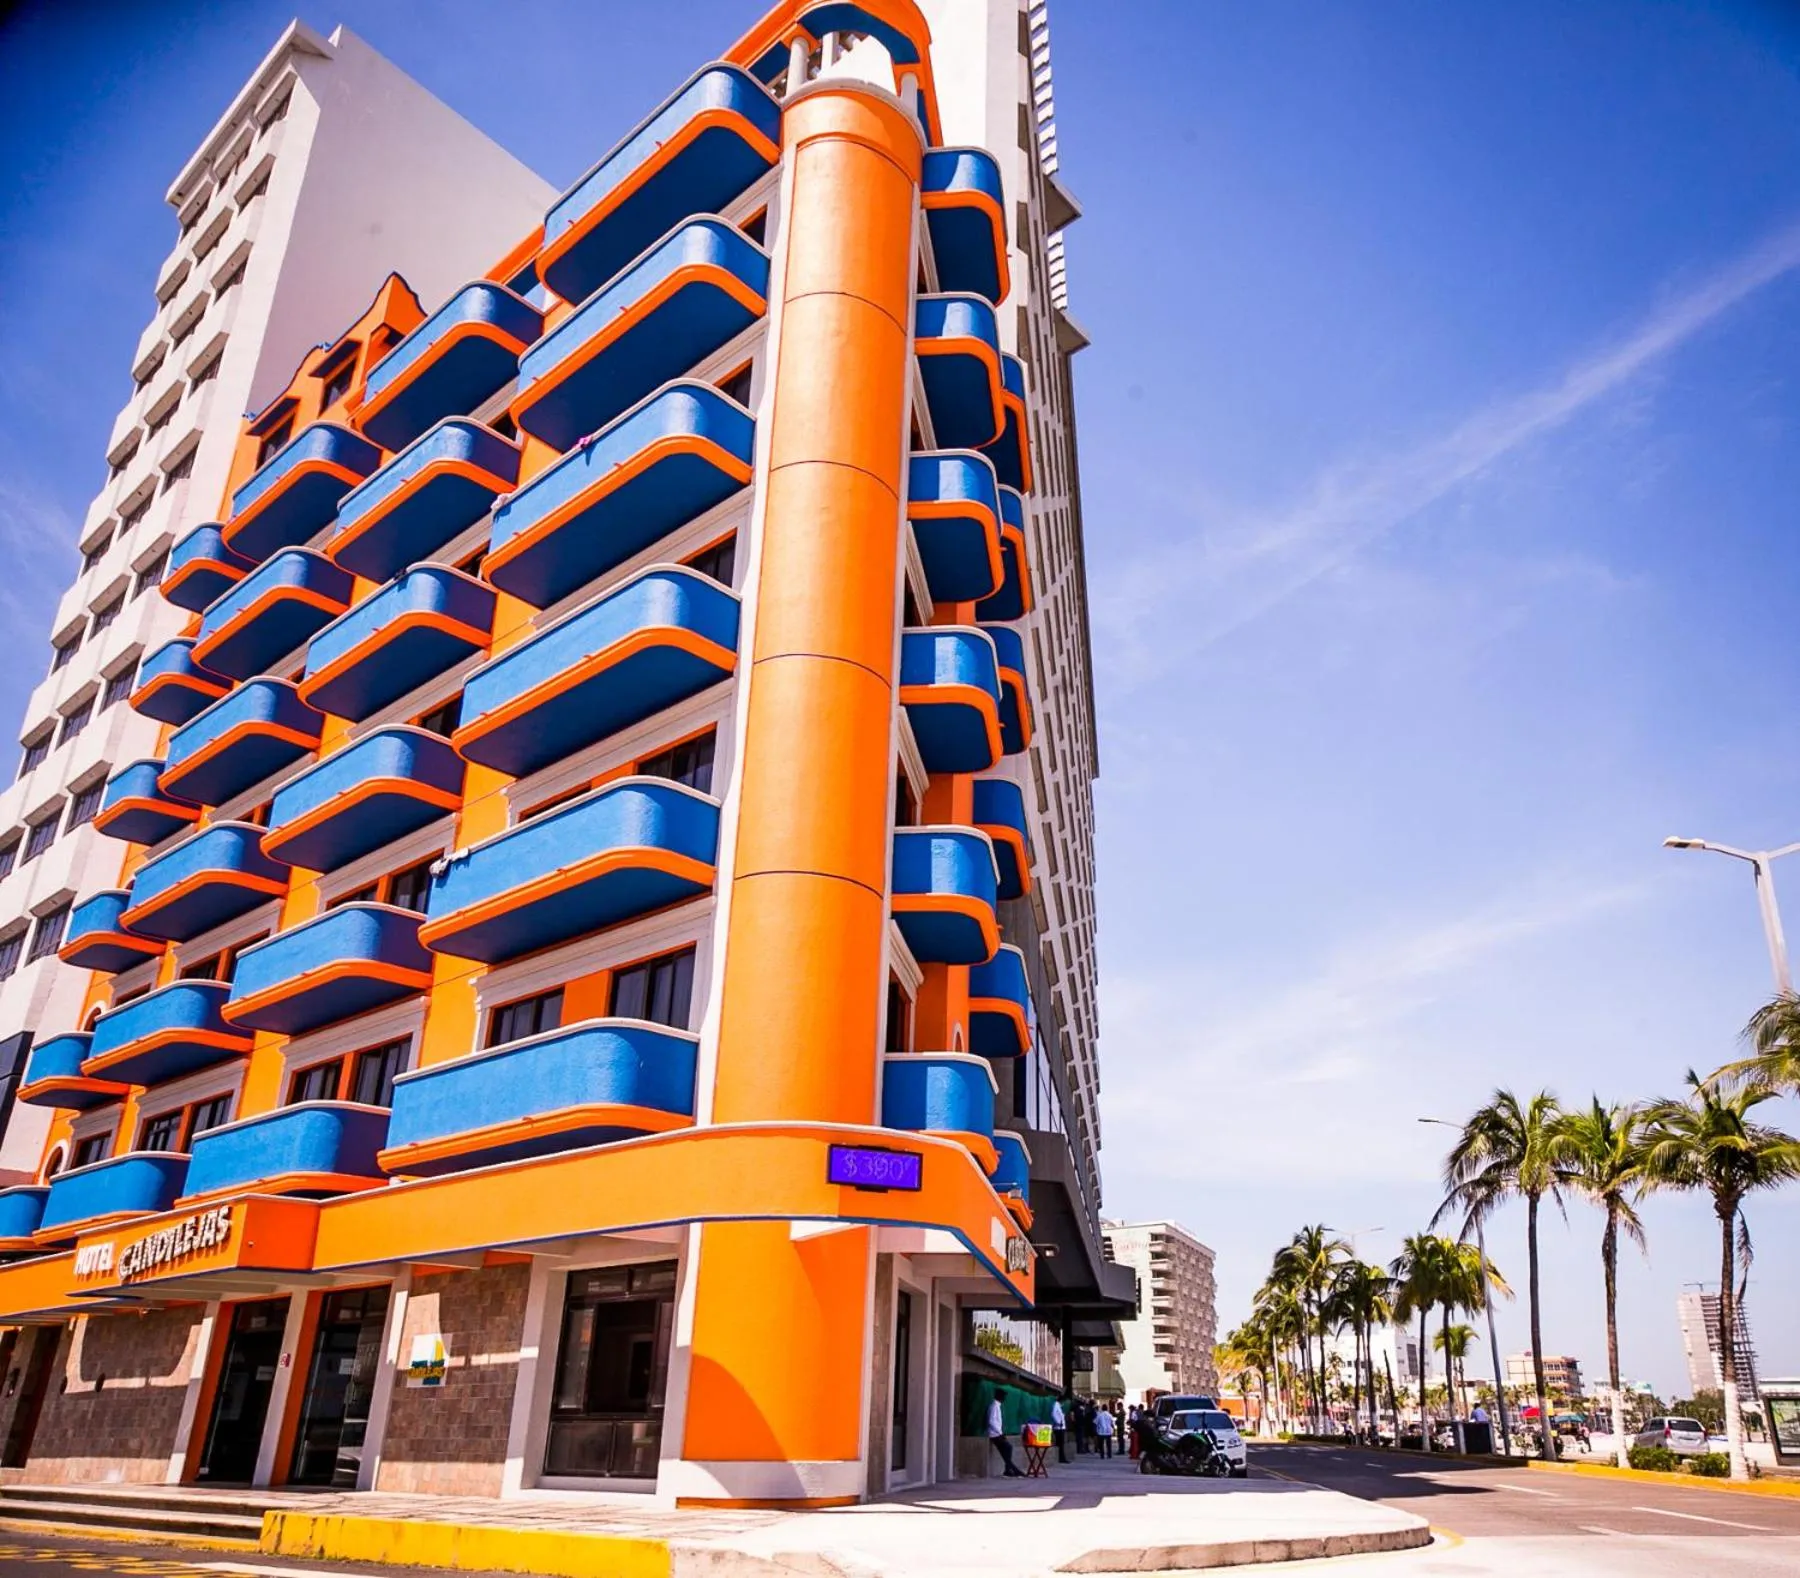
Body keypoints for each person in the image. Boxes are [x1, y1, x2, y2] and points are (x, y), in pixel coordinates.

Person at [988, 1395, 1024, 1477]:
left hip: (997, 1433)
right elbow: (992, 1421)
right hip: (995, 1434)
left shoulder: (997, 1406)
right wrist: (1000, 1432)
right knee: (1008, 1447)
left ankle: (1009, 1469)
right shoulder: (994, 1406)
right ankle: (1011, 1469)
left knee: (1006, 1450)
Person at [1052, 1396, 1068, 1463]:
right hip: (1059, 1427)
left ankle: (1062, 1458)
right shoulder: (1056, 1405)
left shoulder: (1058, 1406)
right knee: (1060, 1444)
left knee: (1061, 1444)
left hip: (1061, 1427)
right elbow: (1053, 1414)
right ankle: (1061, 1458)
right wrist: (1058, 1422)